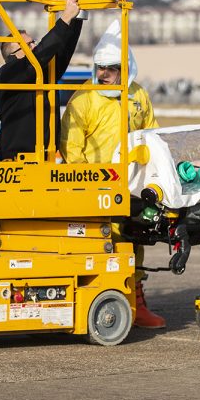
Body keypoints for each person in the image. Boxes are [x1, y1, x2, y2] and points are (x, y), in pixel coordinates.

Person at [59, 20, 163, 329]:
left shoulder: (138, 96)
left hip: (131, 186)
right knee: (104, 247)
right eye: (100, 67)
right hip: (98, 189)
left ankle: (136, 301)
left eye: (110, 68)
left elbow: (152, 135)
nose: (103, 74)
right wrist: (88, 187)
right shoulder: (84, 99)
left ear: (126, 67)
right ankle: (105, 303)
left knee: (136, 242)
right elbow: (71, 148)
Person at [0, 0, 84, 161]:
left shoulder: (39, 72)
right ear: (14, 54)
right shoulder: (8, 73)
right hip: (16, 160)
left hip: (44, 156)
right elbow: (40, 54)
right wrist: (65, 17)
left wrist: (76, 15)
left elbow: (62, 53)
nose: (34, 46)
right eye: (28, 45)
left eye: (33, 42)